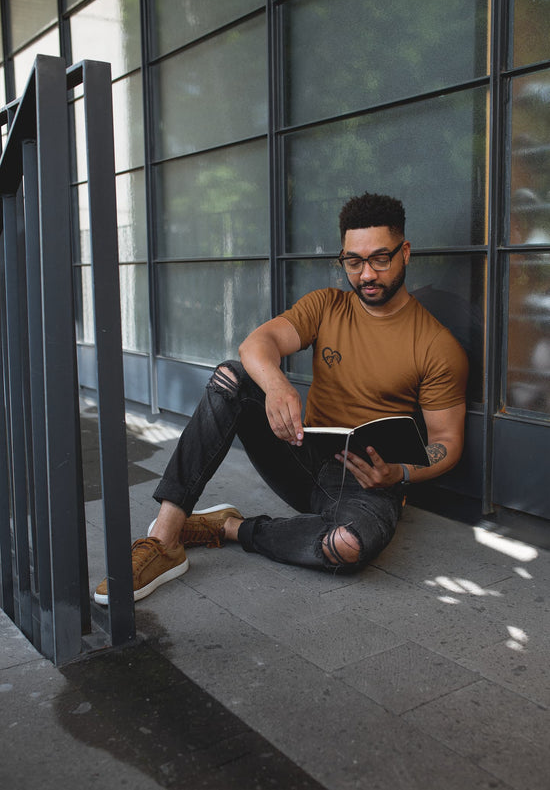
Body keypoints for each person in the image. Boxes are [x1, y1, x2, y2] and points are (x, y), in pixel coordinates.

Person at [94, 191, 468, 605]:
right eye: (353, 261)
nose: (366, 275)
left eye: (380, 259)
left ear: (405, 253)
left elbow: (447, 443)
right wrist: (276, 385)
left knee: (347, 546)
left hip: (369, 485)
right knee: (231, 378)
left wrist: (399, 473)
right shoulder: (327, 305)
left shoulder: (436, 344)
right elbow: (257, 344)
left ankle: (228, 528)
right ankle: (164, 541)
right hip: (303, 460)